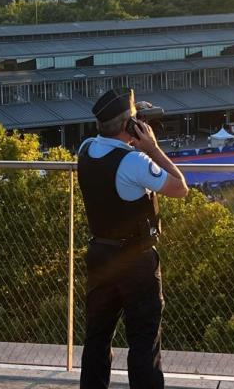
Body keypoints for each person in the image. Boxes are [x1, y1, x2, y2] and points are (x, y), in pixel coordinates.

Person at [78, 88, 189, 389]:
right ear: (129, 126)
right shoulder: (134, 161)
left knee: (97, 337)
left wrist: (130, 123)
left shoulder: (85, 149)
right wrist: (152, 147)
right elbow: (180, 187)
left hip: (99, 253)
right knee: (143, 339)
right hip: (135, 260)